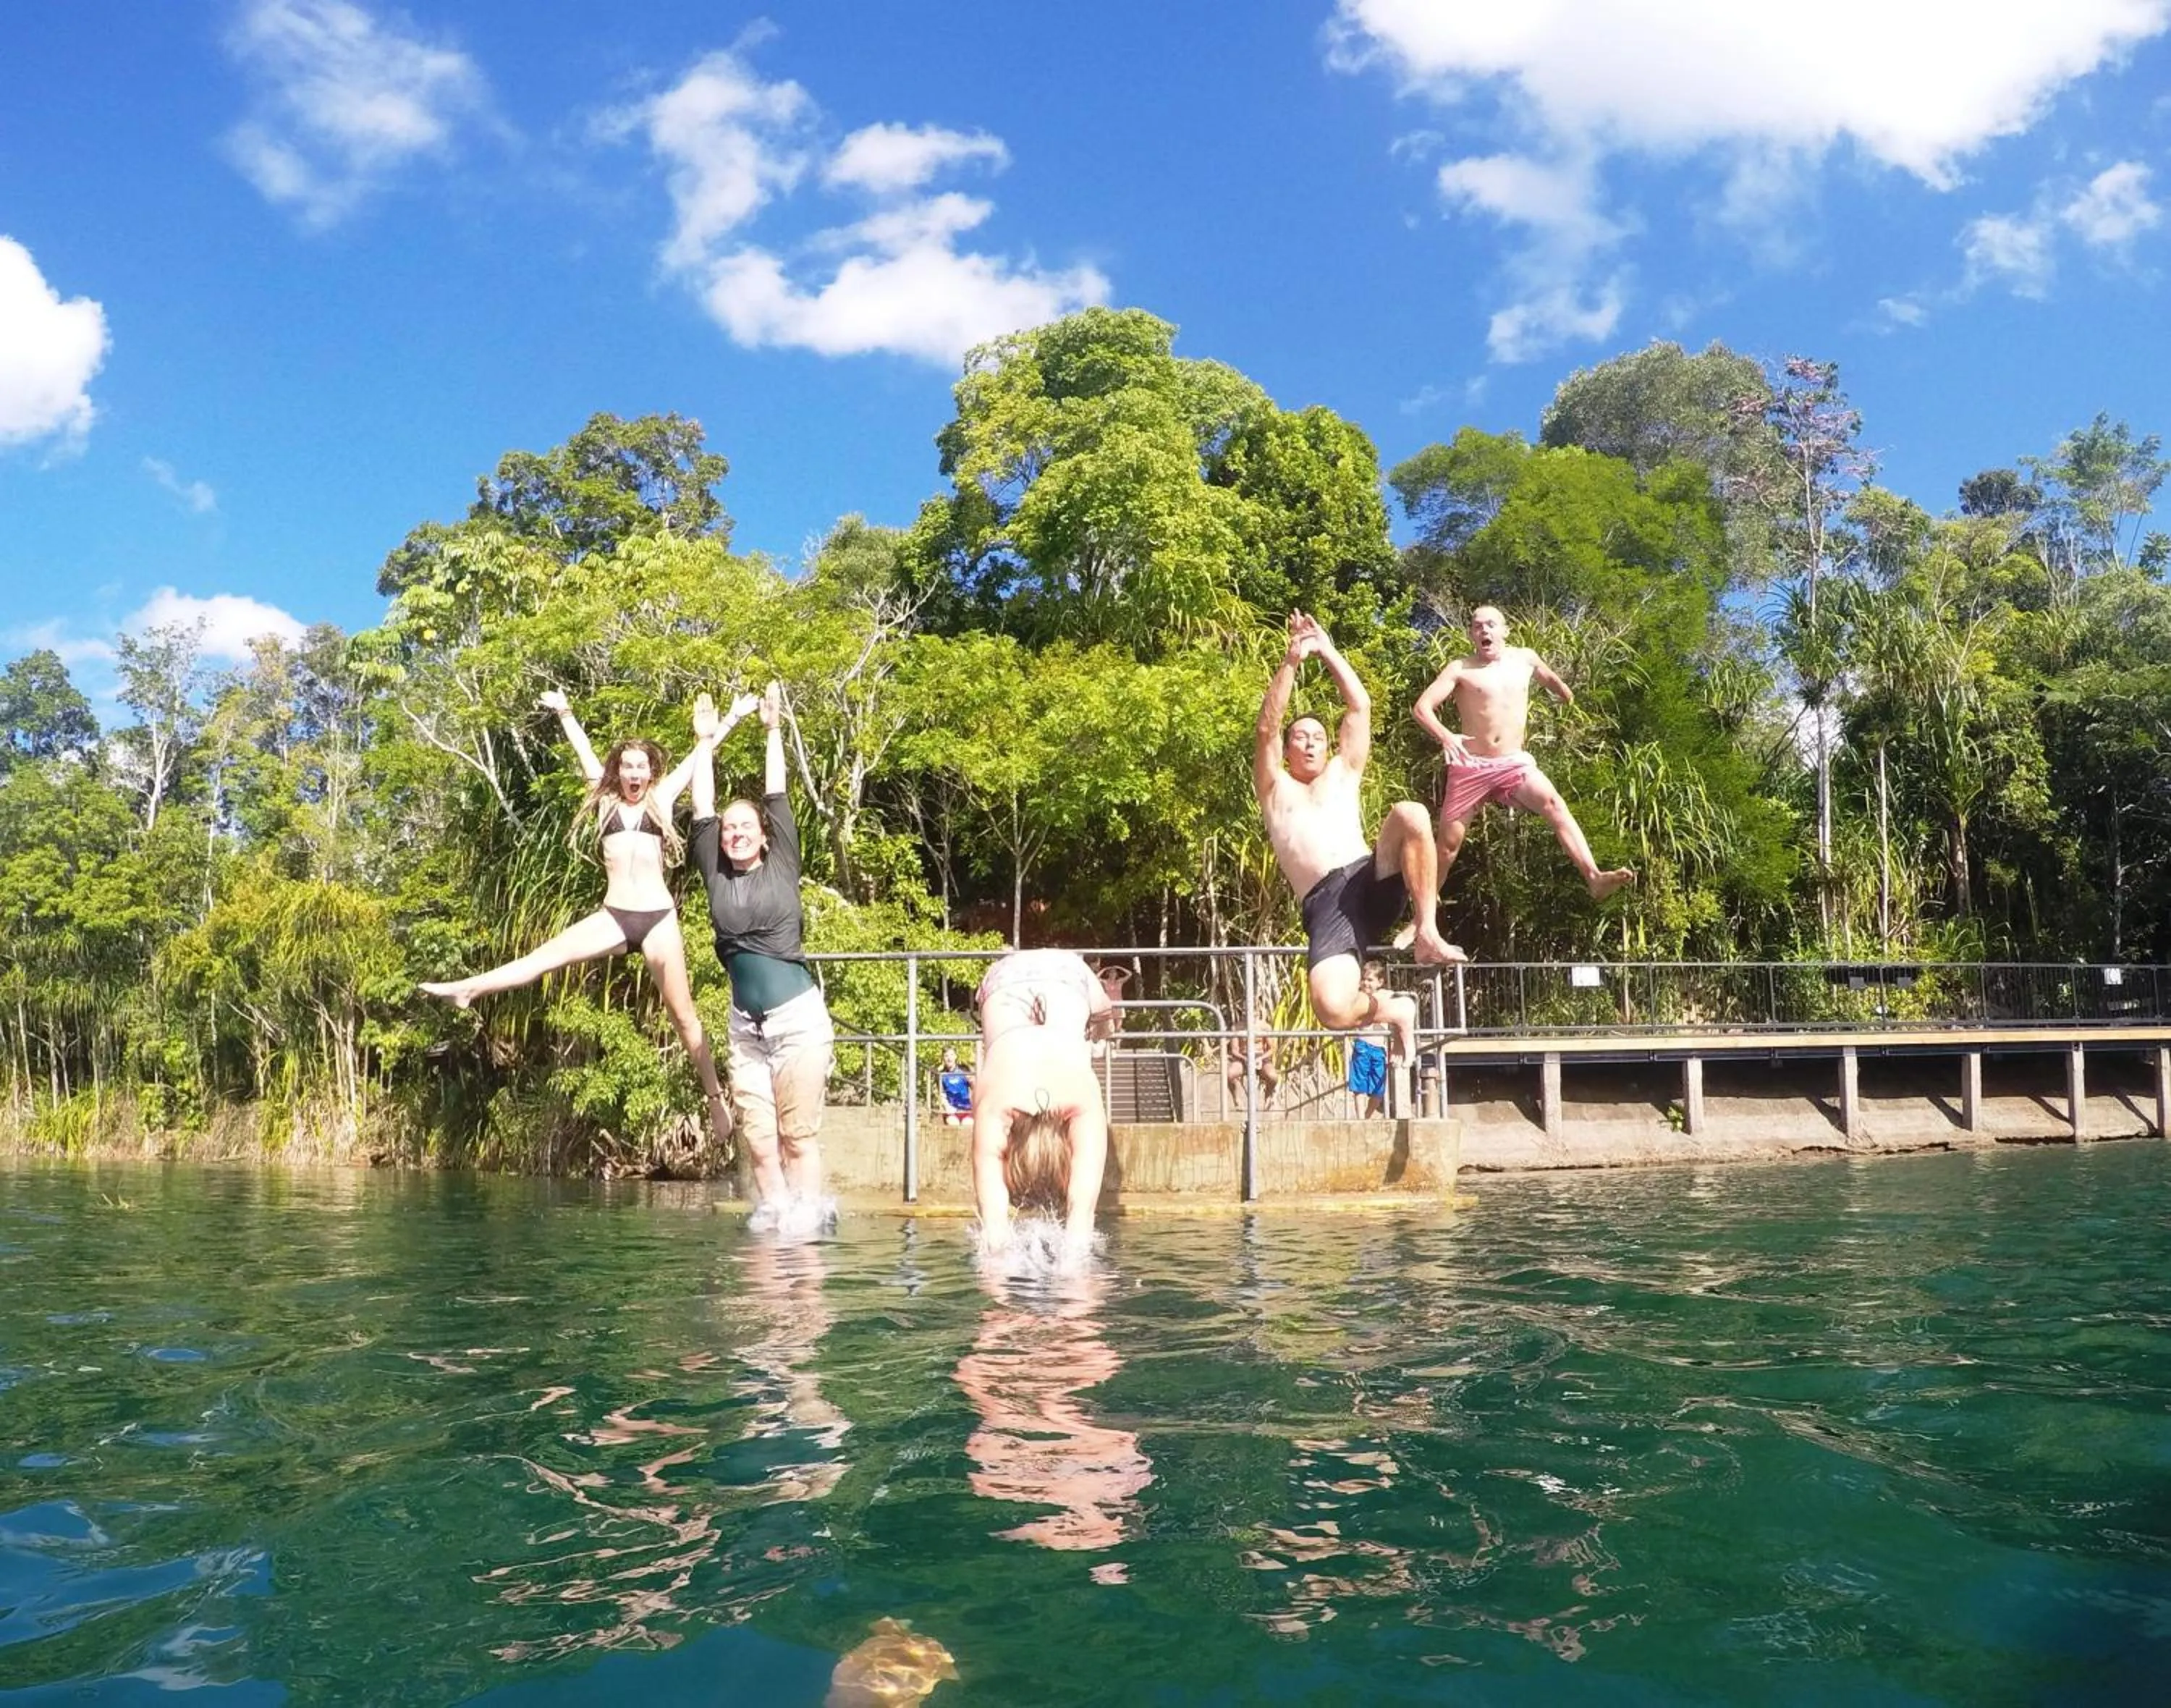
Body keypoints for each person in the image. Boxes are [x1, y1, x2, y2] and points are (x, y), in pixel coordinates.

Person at [420, 688, 731, 1150]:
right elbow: (584, 752)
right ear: (617, 772)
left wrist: (724, 725)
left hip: (658, 918)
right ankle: (469, 988)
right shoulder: (604, 803)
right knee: (542, 959)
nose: (633, 774)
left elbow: (700, 753)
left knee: (684, 1018)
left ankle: (715, 1099)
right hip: (614, 915)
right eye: (626, 767)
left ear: (650, 772)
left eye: (640, 767)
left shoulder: (661, 801)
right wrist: (566, 713)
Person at [1255, 610, 1461, 1064]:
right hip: (1326, 906)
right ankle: (1396, 1009)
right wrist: (1292, 659)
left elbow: (1359, 707)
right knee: (1331, 1008)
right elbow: (1267, 727)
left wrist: (1326, 649)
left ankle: (1426, 929)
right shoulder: (1274, 789)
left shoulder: (1342, 772)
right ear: (1288, 749)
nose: (1309, 743)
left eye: (1317, 737)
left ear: (1329, 747)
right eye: (1300, 737)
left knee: (1411, 813)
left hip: (1367, 875)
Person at [690, 682, 837, 1232]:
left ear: (765, 837)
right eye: (730, 829)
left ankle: (808, 1236)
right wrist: (705, 742)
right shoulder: (715, 871)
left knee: (798, 1138)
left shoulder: (782, 864)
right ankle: (778, 1233)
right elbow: (702, 806)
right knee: (759, 1142)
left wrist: (774, 729)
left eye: (745, 827)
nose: (735, 834)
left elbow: (776, 794)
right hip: (743, 1029)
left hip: (797, 1021)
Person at [1413, 604, 1635, 902]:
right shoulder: (1460, 668)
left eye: (1491, 625)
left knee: (1554, 804)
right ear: (1471, 634)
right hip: (1471, 765)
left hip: (1512, 762)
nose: (1484, 631)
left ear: (1505, 630)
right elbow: (1422, 708)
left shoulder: (1525, 659)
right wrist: (1446, 736)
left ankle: (1593, 876)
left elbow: (1549, 677)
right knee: (1447, 846)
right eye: (1478, 626)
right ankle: (1421, 919)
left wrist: (1565, 694)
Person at [971, 948, 1114, 1265]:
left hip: (1002, 978)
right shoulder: (1081, 1095)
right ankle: (1103, 1033)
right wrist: (1103, 1028)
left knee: (996, 1242)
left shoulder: (996, 1101)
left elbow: (994, 1232)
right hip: (1054, 976)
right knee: (1079, 1238)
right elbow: (1082, 1218)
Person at [1345, 960, 1391, 1118]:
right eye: (1364, 979)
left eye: (1370, 980)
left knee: (1378, 1088)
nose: (1366, 983)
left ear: (1380, 982)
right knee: (1359, 1084)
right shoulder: (1359, 998)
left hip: (1379, 1048)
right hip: (1363, 1044)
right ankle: (1360, 1118)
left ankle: (1368, 1115)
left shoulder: (1385, 996)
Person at [935, 1047, 975, 1125]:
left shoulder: (964, 1071)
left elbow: (975, 1087)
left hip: (966, 1110)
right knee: (953, 1123)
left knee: (967, 1124)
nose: (949, 1058)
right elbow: (941, 1094)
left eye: (952, 1055)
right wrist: (947, 1106)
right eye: (946, 1056)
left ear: (956, 1056)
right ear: (943, 1058)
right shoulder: (941, 1075)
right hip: (952, 1111)